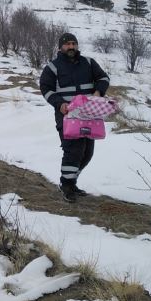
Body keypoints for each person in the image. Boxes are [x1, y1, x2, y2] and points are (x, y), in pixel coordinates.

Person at [39, 32, 110, 203]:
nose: (71, 47)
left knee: (87, 153)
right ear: (60, 47)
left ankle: (70, 182)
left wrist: (99, 90)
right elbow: (46, 89)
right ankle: (67, 186)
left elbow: (103, 77)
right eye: (67, 44)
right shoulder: (52, 67)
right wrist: (59, 104)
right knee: (73, 150)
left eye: (73, 43)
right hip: (67, 115)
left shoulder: (88, 62)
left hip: (89, 114)